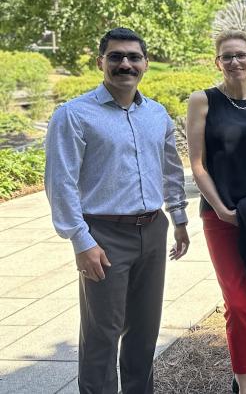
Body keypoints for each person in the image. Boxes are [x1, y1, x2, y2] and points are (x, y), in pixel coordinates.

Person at [45, 27, 190, 394]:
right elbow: (60, 183)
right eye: (116, 57)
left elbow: (171, 170)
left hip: (153, 230)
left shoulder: (156, 114)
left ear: (145, 64)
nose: (125, 64)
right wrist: (81, 241)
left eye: (133, 57)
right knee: (102, 334)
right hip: (103, 235)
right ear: (101, 63)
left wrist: (179, 219)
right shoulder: (74, 115)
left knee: (144, 331)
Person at [185, 30, 246, 394]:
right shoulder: (203, 101)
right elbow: (197, 163)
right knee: (238, 299)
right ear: (218, 62)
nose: (235, 62)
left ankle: (241, 368)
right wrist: (223, 209)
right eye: (227, 56)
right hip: (221, 214)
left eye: (242, 55)